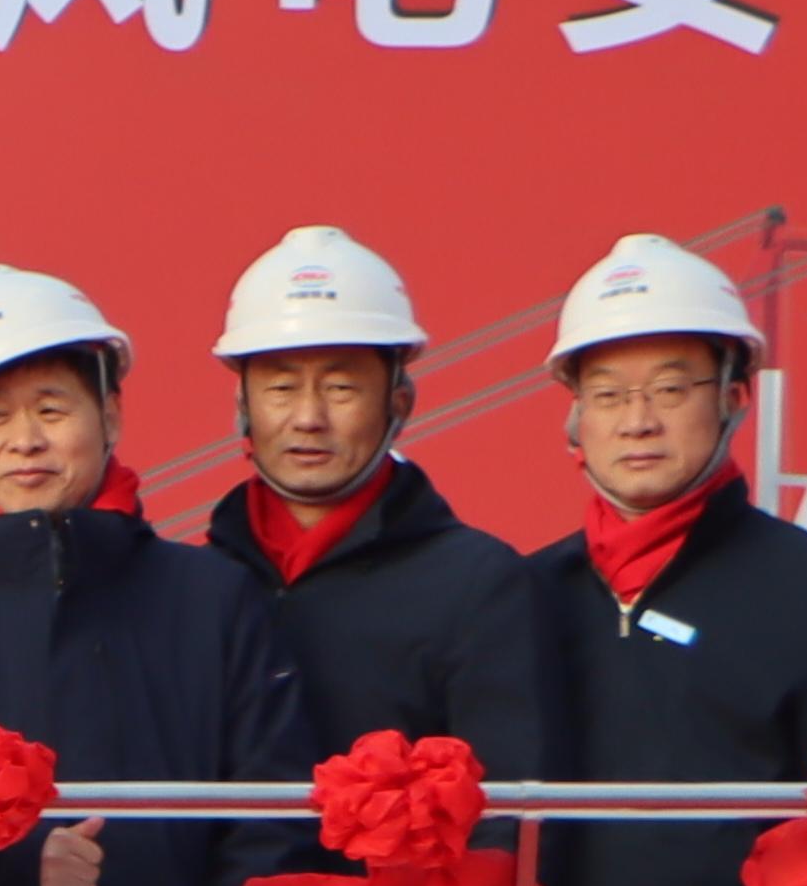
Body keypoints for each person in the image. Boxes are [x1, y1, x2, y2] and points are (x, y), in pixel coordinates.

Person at [0, 264, 311, 886]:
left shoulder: (216, 598)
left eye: (52, 409)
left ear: (109, 414)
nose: (25, 441)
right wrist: (18, 864)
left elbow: (271, 809)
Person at [526, 235, 807, 886]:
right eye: (607, 394)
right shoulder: (522, 596)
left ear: (734, 396)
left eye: (671, 389)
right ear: (576, 414)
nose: (638, 421)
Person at [192, 225, 547, 783]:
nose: (308, 418)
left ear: (399, 402)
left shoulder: (478, 584)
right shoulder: (199, 584)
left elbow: (506, 804)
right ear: (242, 404)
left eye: (341, 388)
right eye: (281, 388)